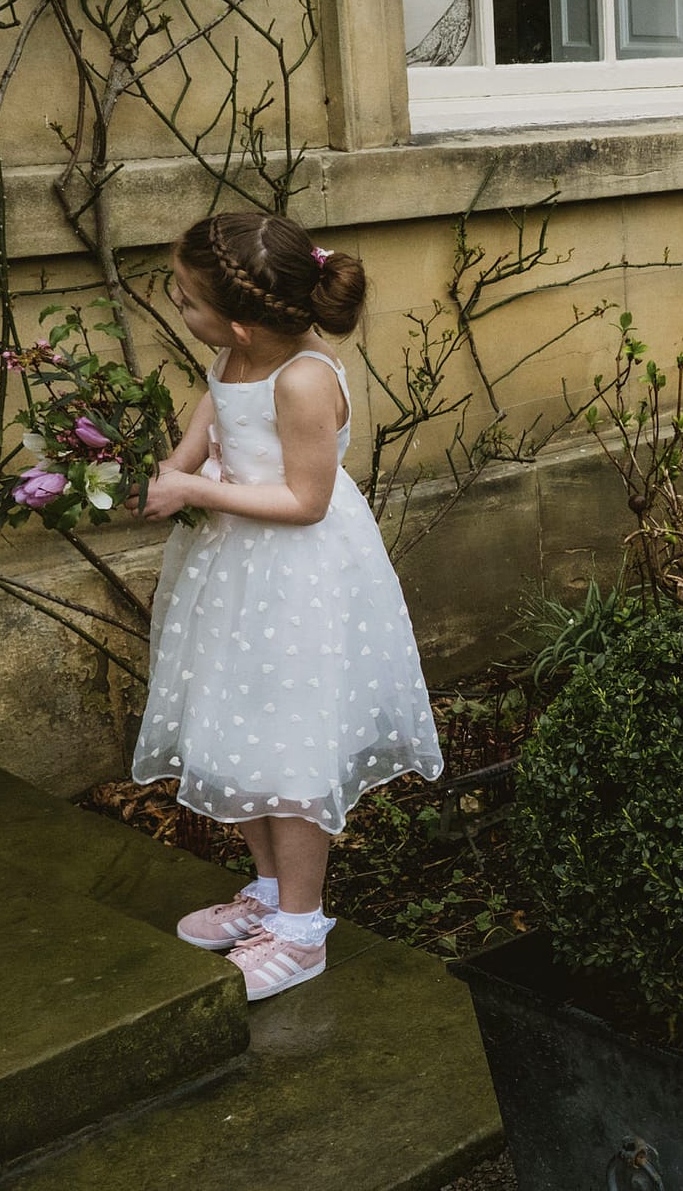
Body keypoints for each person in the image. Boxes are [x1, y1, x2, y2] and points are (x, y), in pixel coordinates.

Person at [133, 212, 444, 1000]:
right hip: (231, 569)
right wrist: (174, 468)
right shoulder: (236, 353)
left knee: (289, 744)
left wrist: (195, 489)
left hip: (294, 577)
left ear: (239, 317)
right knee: (235, 728)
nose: (178, 305)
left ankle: (303, 930)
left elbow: (307, 499)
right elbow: (210, 416)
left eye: (186, 300)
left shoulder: (304, 377)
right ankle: (269, 893)